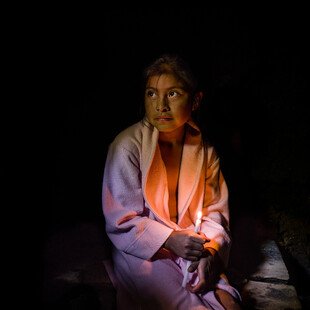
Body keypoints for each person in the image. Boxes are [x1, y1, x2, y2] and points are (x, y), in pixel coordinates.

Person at [102, 53, 242, 309]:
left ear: (196, 100)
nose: (160, 105)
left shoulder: (205, 150)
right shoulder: (127, 147)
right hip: (144, 250)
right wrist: (168, 239)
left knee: (228, 301)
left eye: (173, 93)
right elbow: (121, 220)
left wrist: (209, 252)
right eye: (152, 93)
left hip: (193, 244)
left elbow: (214, 212)